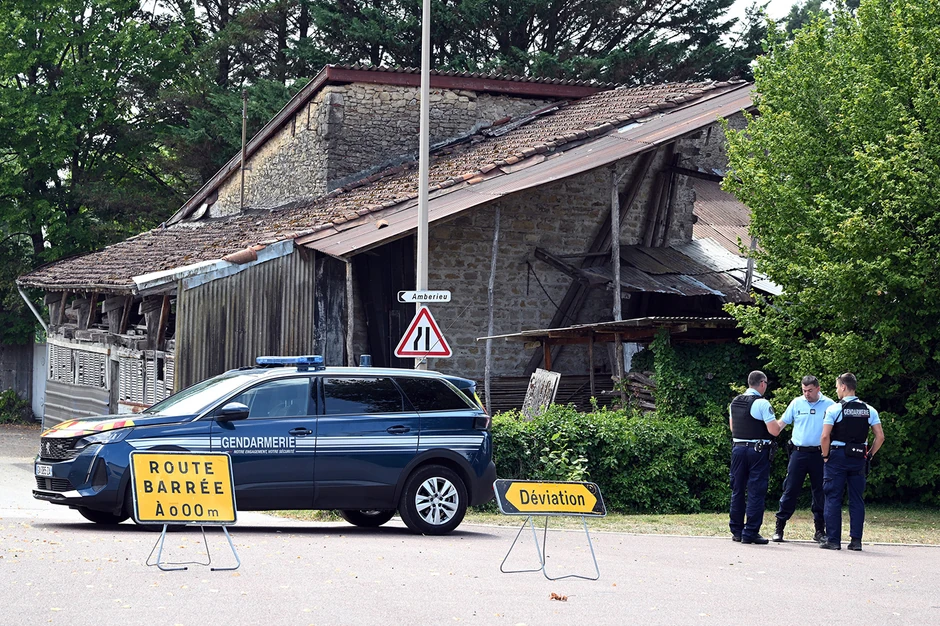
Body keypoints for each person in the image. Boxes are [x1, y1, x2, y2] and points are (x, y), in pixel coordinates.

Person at [819, 373, 885, 551]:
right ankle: (856, 541)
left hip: (837, 456)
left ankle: (833, 540)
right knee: (856, 499)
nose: (836, 390)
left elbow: (825, 436)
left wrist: (825, 456)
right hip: (858, 457)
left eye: (837, 387)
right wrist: (869, 454)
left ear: (843, 387)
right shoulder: (869, 410)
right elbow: (880, 437)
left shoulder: (834, 409)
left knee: (833, 497)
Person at [771, 375, 834, 543]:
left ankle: (820, 530)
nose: (807, 394)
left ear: (818, 389)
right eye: (804, 390)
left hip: (819, 454)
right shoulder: (796, 403)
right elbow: (781, 424)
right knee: (790, 489)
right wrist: (768, 432)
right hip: (798, 453)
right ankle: (779, 527)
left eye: (810, 390)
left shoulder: (829, 404)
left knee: (820, 491)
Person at [729, 370, 784, 544]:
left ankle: (737, 531)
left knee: (737, 490)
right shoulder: (762, 403)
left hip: (738, 449)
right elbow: (774, 431)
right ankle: (750, 532)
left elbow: (732, 428)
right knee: (755, 491)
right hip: (757, 451)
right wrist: (783, 422)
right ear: (762, 383)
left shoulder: (735, 402)